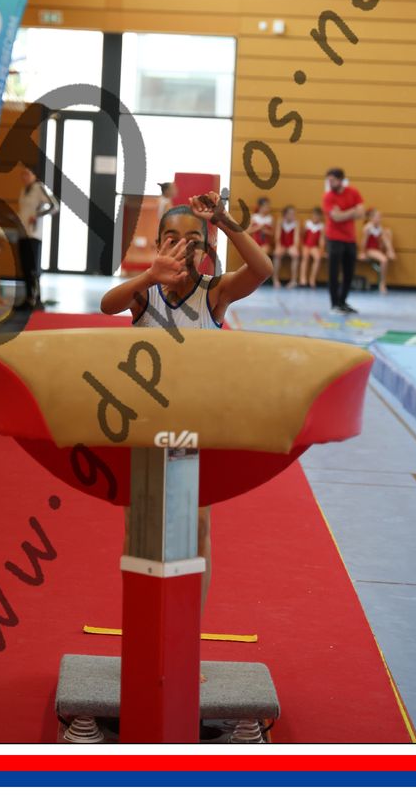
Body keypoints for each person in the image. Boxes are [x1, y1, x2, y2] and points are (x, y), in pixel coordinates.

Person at [100, 191, 272, 619]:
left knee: (197, 526)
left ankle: (189, 627)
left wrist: (225, 220)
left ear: (206, 247)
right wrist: (147, 276)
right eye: (171, 239)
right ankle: (140, 622)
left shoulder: (215, 293)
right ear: (159, 245)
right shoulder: (145, 295)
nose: (182, 247)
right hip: (144, 419)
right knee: (138, 526)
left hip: (195, 424)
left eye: (193, 240)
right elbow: (107, 306)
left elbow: (262, 270)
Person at [322, 168, 365, 315]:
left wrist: (343, 213)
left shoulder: (353, 192)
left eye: (332, 180)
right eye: (328, 180)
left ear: (341, 180)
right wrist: (352, 211)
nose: (330, 183)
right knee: (333, 273)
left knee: (349, 273)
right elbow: (335, 217)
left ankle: (343, 302)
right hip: (334, 239)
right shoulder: (328, 197)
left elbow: (361, 213)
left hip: (350, 239)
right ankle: (334, 304)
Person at [15, 167, 59, 309]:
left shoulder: (38, 188)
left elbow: (54, 206)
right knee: (25, 267)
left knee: (32, 267)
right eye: (23, 174)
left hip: (33, 234)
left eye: (27, 174)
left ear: (34, 175)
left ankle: (36, 298)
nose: (24, 177)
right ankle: (29, 297)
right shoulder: (23, 190)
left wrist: (37, 215)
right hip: (22, 233)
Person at [362, 208, 396, 294]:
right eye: (377, 217)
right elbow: (364, 242)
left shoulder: (380, 227)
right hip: (370, 250)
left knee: (387, 232)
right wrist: (362, 253)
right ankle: (382, 283)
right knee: (384, 260)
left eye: (380, 217)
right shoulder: (368, 228)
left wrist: (390, 249)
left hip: (378, 249)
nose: (379, 219)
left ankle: (390, 251)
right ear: (371, 218)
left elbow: (385, 240)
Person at [273, 204, 300, 288]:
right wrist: (278, 246)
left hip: (291, 245)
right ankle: (275, 279)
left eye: (293, 214)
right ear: (285, 214)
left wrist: (295, 247)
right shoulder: (280, 221)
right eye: (290, 214)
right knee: (277, 253)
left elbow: (296, 237)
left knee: (295, 254)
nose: (292, 216)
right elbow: (277, 236)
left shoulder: (296, 222)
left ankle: (293, 280)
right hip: (282, 244)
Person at [299, 206, 326, 288]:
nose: (316, 218)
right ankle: (303, 279)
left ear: (321, 217)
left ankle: (312, 279)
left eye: (318, 216)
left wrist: (321, 249)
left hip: (314, 246)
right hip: (306, 245)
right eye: (314, 215)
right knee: (305, 257)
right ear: (311, 215)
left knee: (317, 258)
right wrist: (301, 246)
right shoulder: (307, 223)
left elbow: (321, 240)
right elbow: (302, 236)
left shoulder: (322, 226)